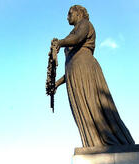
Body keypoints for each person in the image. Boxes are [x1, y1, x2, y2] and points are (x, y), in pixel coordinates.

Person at [52, 5, 135, 147]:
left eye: (70, 13)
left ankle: (112, 141)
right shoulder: (73, 31)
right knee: (84, 111)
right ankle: (94, 143)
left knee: (94, 106)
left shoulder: (84, 24)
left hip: (85, 69)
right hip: (75, 74)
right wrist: (57, 84)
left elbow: (78, 38)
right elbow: (69, 68)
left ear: (78, 14)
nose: (67, 17)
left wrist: (60, 42)